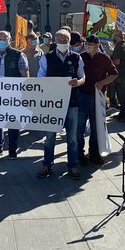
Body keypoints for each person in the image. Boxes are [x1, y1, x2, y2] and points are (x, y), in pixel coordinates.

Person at [39, 29, 87, 179]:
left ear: (69, 42)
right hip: (52, 104)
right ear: (55, 41)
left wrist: (78, 82)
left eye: (64, 41)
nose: (62, 43)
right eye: (59, 40)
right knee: (50, 137)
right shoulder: (46, 58)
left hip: (72, 102)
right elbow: (40, 78)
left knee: (72, 137)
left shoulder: (76, 57)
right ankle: (47, 164)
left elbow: (83, 77)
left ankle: (72, 166)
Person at [0, 31, 28, 158]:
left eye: (4, 39)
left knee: (13, 122)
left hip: (11, 95)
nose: (0, 41)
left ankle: (12, 149)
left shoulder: (18, 55)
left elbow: (25, 75)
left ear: (10, 40)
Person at [78, 35, 117, 166]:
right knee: (80, 126)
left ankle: (94, 153)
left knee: (96, 126)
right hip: (82, 95)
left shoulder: (104, 58)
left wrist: (102, 82)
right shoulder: (81, 57)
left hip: (97, 96)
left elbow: (113, 74)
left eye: (92, 45)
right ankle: (79, 153)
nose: (89, 47)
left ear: (97, 45)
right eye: (87, 45)